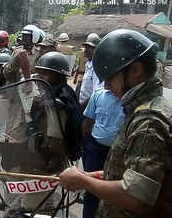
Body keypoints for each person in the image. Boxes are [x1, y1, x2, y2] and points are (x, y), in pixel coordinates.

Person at [59, 29, 172, 218]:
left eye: (110, 77)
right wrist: (102, 176)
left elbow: (136, 198)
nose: (106, 85)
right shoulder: (146, 108)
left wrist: (84, 182)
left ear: (135, 70)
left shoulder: (148, 120)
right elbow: (138, 175)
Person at [0, 51, 83, 217]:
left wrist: (27, 73)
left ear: (59, 77)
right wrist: (17, 62)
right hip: (19, 155)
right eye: (39, 71)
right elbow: (7, 77)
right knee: (13, 198)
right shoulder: (32, 85)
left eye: (46, 74)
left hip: (41, 163)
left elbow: (54, 141)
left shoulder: (58, 102)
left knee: (32, 208)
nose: (40, 76)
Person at [81, 87, 125, 218]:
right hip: (95, 150)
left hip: (119, 154)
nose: (107, 83)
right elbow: (88, 122)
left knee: (114, 192)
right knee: (91, 190)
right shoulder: (98, 94)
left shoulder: (132, 101)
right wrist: (82, 145)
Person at [79, 33, 103, 110]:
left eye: (89, 48)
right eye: (86, 47)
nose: (86, 50)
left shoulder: (97, 66)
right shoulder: (89, 64)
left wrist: (82, 106)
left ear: (97, 49)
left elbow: (96, 94)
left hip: (88, 108)